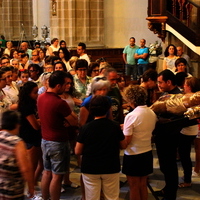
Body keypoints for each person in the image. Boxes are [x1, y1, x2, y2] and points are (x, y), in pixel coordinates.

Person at [75, 95, 126, 200]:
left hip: (90, 167)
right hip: (111, 166)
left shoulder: (86, 128)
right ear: (108, 109)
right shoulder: (115, 126)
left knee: (92, 197)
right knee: (112, 197)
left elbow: (77, 150)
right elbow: (123, 145)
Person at [37, 71, 78, 200]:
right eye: (65, 84)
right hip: (58, 142)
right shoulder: (60, 103)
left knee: (47, 172)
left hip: (45, 140)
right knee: (57, 175)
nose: (67, 87)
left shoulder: (41, 97)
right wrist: (67, 120)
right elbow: (74, 121)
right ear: (58, 86)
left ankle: (45, 198)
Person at [122, 85, 157, 200]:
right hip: (146, 152)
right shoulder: (151, 113)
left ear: (131, 100)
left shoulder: (131, 116)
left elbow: (127, 141)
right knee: (143, 185)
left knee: (133, 186)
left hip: (133, 155)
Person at [154, 69, 185, 200]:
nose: (158, 85)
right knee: (165, 165)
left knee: (169, 166)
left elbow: (175, 118)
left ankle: (170, 194)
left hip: (169, 136)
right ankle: (168, 188)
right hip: (164, 136)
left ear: (169, 82)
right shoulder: (168, 93)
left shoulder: (176, 96)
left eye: (160, 82)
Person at [0, 110, 34, 199]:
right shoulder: (17, 143)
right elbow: (25, 168)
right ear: (17, 124)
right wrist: (31, 187)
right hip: (11, 188)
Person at [18, 81, 43, 187]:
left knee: (41, 164)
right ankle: (30, 189)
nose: (37, 95)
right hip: (30, 137)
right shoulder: (26, 107)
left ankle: (33, 183)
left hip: (35, 136)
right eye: (35, 92)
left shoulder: (31, 104)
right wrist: (42, 120)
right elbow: (35, 125)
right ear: (28, 93)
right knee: (32, 166)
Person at [178, 77, 200, 188]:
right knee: (185, 154)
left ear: (189, 86)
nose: (184, 86)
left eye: (185, 84)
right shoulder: (196, 97)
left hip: (188, 130)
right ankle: (187, 177)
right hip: (192, 129)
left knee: (185, 156)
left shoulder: (190, 98)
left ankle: (187, 180)